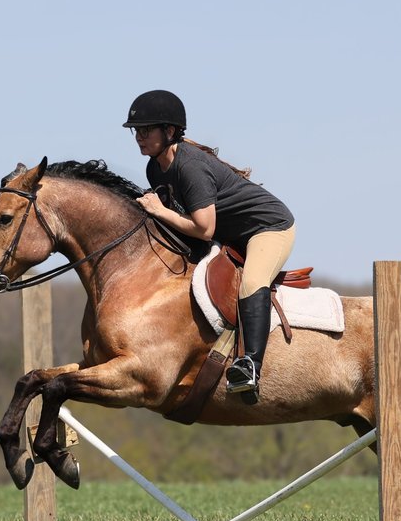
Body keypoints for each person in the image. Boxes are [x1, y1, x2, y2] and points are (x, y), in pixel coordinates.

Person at [125, 89, 297, 401]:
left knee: (252, 282)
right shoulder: (155, 167)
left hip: (268, 228)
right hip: (229, 235)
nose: (139, 137)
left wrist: (159, 211)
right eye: (136, 131)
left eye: (146, 130)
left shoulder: (190, 166)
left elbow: (204, 229)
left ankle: (250, 367)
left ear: (170, 131)